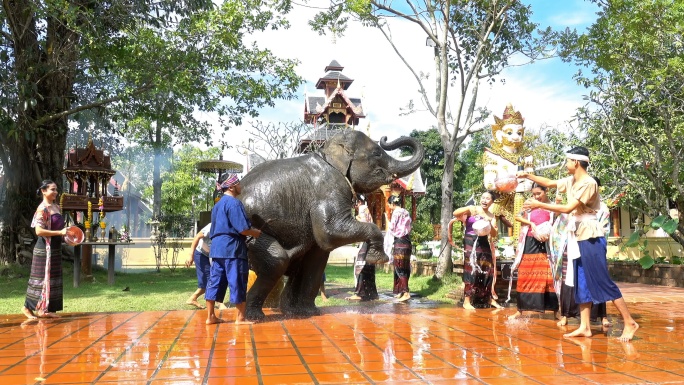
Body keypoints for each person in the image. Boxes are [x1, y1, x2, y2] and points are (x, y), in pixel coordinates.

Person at [518, 146, 638, 341]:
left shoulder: (589, 183)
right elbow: (549, 182)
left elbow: (567, 208)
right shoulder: (572, 180)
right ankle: (585, 326)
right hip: (577, 235)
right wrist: (529, 176)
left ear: (576, 162)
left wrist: (539, 204)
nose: (566, 165)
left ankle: (630, 322)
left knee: (601, 280)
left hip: (590, 235)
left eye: (567, 161)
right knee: (581, 281)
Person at [205, 173, 262, 325]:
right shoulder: (234, 203)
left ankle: (210, 317)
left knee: (215, 281)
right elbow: (243, 229)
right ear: (231, 186)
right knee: (237, 280)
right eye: (238, 183)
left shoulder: (217, 206)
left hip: (217, 249)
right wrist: (255, 232)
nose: (240, 186)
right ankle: (240, 318)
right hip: (232, 249)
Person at [508, 184, 559, 320]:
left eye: (538, 193)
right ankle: (520, 310)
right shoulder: (529, 204)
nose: (536, 197)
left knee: (548, 277)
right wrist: (531, 224)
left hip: (546, 245)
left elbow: (558, 221)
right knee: (525, 275)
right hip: (530, 243)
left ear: (546, 191)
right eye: (534, 194)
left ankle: (555, 311)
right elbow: (518, 217)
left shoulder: (552, 205)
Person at [23, 180, 68, 320]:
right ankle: (27, 308)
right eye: (52, 189)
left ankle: (45, 309)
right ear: (43, 191)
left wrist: (67, 238)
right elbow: (39, 231)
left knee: (53, 279)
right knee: (40, 280)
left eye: (56, 189)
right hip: (43, 250)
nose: (55, 192)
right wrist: (60, 233)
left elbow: (60, 230)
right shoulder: (42, 209)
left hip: (55, 249)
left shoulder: (57, 207)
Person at [453, 191, 503, 310]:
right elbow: (455, 213)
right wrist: (469, 207)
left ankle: (489, 298)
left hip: (484, 242)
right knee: (471, 268)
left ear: (492, 201)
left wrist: (489, 223)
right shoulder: (472, 210)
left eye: (487, 199)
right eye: (483, 198)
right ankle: (467, 300)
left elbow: (494, 233)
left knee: (488, 269)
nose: (484, 200)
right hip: (470, 240)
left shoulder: (491, 216)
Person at [347, 195, 379, 301]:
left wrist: (355, 219)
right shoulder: (366, 208)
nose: (354, 206)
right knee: (368, 266)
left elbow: (364, 224)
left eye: (354, 203)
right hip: (371, 240)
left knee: (360, 266)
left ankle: (359, 293)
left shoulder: (362, 209)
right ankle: (371, 292)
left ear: (358, 202)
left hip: (366, 239)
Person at [387, 195, 412, 302]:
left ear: (392, 204)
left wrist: (387, 221)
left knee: (399, 267)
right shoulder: (406, 211)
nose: (388, 206)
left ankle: (406, 292)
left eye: (389, 204)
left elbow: (392, 227)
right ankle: (402, 291)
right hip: (407, 241)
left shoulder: (396, 213)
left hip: (399, 242)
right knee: (404, 267)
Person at [184, 223, 212, 309]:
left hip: (210, 255)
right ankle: (218, 303)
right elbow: (197, 237)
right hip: (201, 254)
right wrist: (190, 255)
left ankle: (193, 298)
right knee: (208, 281)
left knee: (211, 281)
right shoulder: (212, 225)